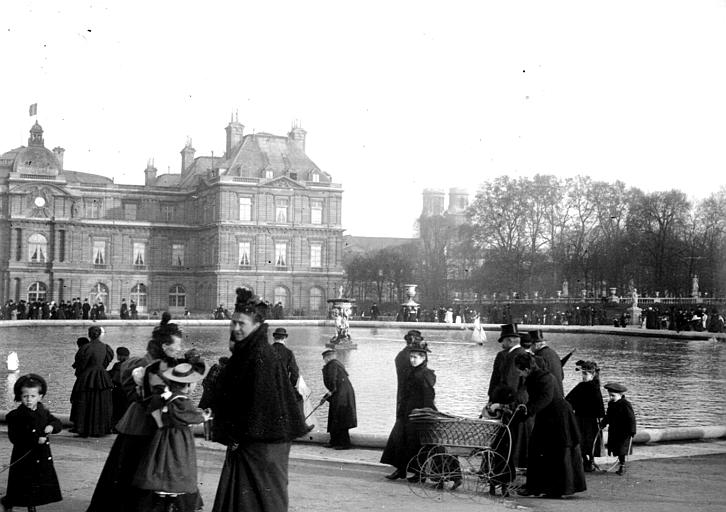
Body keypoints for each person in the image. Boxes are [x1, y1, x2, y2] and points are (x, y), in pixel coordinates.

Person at [210, 287, 308, 512]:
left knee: (260, 499)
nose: (235, 328)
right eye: (233, 322)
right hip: (256, 440)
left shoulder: (260, 355)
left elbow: (257, 404)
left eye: (241, 324)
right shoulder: (248, 353)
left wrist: (234, 433)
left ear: (256, 326)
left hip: (262, 444)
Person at [86, 314, 189, 512]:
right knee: (136, 471)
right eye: (175, 348)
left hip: (147, 422)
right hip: (144, 424)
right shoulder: (145, 365)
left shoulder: (159, 364)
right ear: (164, 347)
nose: (178, 352)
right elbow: (137, 394)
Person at [132, 361, 212, 511]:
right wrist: (204, 417)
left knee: (163, 461)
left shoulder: (167, 396)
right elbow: (188, 417)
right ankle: (172, 501)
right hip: (179, 437)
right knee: (178, 463)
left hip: (164, 435)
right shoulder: (183, 400)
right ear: (187, 385)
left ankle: (161, 499)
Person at [514, 353, 586, 498]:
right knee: (540, 450)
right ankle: (537, 486)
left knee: (556, 451)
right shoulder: (534, 377)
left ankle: (556, 488)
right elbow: (534, 399)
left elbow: (544, 399)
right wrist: (522, 408)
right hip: (548, 416)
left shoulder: (544, 377)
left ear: (527, 369)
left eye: (520, 370)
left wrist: (527, 411)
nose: (519, 373)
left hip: (559, 417)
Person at [1, 374, 63, 512]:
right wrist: (35, 439)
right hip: (24, 457)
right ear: (20, 397)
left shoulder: (44, 412)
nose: (29, 400)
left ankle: (28, 505)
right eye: (25, 396)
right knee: (22, 484)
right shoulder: (15, 416)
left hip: (41, 457)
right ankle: (10, 502)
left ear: (40, 397)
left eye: (33, 396)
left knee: (37, 484)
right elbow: (14, 438)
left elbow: (57, 422)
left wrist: (51, 427)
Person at [381, 339, 437, 482]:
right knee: (399, 438)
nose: (412, 360)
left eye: (415, 357)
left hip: (419, 413)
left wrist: (425, 413)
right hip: (407, 412)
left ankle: (418, 473)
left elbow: (429, 396)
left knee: (416, 443)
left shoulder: (425, 374)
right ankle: (402, 469)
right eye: (411, 357)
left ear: (423, 358)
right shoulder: (412, 372)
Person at [71, 326, 114, 437]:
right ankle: (100, 429)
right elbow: (106, 362)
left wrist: (81, 374)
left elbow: (81, 363)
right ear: (99, 334)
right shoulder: (106, 347)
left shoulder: (86, 348)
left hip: (87, 376)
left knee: (85, 402)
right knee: (101, 402)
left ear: (89, 335)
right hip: (102, 376)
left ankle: (84, 428)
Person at [270, 327, 314, 432]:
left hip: (268, 385)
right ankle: (301, 427)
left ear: (274, 338)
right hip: (283, 385)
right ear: (284, 338)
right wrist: (292, 385)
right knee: (298, 399)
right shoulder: (288, 353)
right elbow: (294, 372)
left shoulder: (266, 351)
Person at [566, 360, 605, 472]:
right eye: (583, 374)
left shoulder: (591, 387)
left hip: (589, 420)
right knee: (583, 440)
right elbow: (569, 399)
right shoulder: (586, 386)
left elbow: (599, 405)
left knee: (587, 441)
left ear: (592, 375)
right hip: (581, 418)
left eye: (586, 374)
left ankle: (589, 462)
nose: (583, 376)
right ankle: (587, 461)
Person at [320, 348, 357, 449]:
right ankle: (334, 441)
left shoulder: (332, 365)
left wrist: (326, 397)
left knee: (340, 418)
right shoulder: (337, 364)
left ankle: (343, 444)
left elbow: (332, 383)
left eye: (325, 358)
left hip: (341, 396)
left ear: (327, 358)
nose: (325, 360)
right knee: (336, 418)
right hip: (342, 395)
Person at [601, 382, 637, 475]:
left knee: (622, 449)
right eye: (609, 396)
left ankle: (622, 465)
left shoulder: (625, 404)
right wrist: (603, 423)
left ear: (620, 395)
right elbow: (608, 416)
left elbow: (631, 418)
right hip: (614, 430)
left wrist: (632, 431)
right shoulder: (611, 404)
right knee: (616, 448)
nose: (610, 398)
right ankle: (621, 464)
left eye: (613, 396)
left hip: (624, 432)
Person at [530, 330, 564, 397]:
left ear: (536, 345)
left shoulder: (538, 357)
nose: (530, 348)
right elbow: (562, 376)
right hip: (559, 395)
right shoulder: (554, 353)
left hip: (548, 397)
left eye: (530, 345)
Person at [108, 347, 131, 426]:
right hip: (129, 391)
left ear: (120, 356)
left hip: (118, 390)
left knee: (116, 410)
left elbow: (112, 376)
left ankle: (115, 426)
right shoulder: (132, 364)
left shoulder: (118, 365)